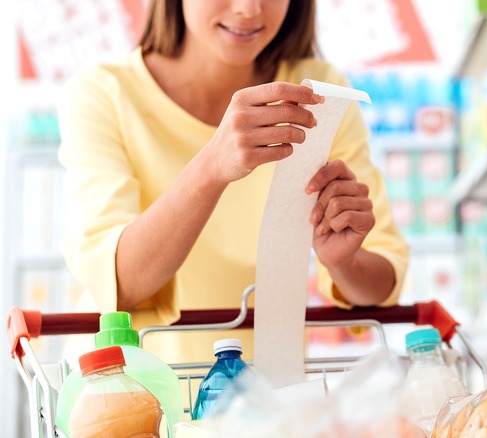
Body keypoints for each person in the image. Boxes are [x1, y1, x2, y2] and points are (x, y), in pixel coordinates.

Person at [57, 0, 409, 363]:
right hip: (130, 396)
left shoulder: (320, 91)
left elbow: (380, 287)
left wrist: (344, 263)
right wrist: (212, 166)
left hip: (263, 401)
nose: (249, 9)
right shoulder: (104, 94)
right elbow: (121, 284)